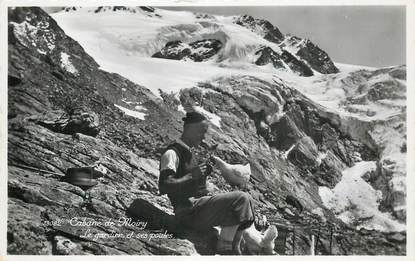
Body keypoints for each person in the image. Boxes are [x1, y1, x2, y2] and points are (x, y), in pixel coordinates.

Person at [158, 111, 256, 255]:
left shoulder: (187, 152)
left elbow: (188, 183)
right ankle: (225, 248)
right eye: (201, 132)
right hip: (188, 212)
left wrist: (201, 177)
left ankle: (233, 248)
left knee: (247, 202)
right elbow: (165, 184)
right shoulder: (172, 153)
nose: (204, 137)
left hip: (197, 209)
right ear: (189, 129)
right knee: (241, 198)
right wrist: (192, 175)